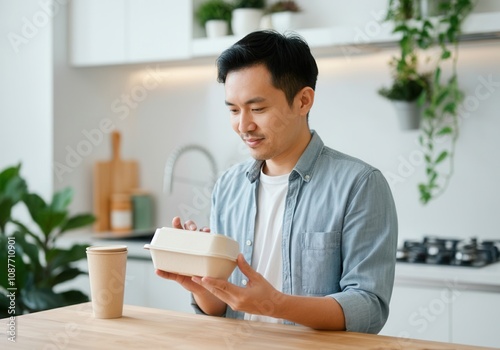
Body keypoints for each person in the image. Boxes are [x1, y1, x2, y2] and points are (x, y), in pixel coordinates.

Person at [156, 30, 398, 334]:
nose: (243, 125)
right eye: (233, 110)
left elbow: (369, 308)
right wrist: (200, 283)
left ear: (304, 101)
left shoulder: (360, 185)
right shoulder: (229, 187)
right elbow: (224, 308)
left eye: (258, 109)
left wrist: (274, 303)